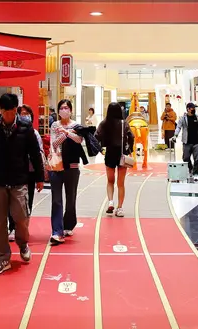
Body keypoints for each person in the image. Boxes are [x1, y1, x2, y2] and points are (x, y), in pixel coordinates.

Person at [0, 93, 44, 276]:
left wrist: (39, 177)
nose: (8, 115)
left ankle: (23, 244)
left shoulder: (25, 128)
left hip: (19, 181)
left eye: (12, 111)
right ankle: (2, 257)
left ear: (16, 110)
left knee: (21, 217)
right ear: (1, 111)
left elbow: (35, 154)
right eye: (5, 111)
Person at [48, 99, 88, 245]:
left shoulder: (76, 125)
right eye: (62, 108)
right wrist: (65, 134)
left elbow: (79, 140)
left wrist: (67, 132)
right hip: (57, 166)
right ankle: (56, 231)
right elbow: (54, 144)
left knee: (71, 198)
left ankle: (69, 224)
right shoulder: (54, 125)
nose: (64, 110)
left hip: (72, 166)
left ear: (71, 110)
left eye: (66, 108)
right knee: (56, 200)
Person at [8, 105, 45, 241]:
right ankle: (12, 227)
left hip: (30, 172)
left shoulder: (34, 133)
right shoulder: (13, 131)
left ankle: (23, 227)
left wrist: (40, 176)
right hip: (16, 172)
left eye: (27, 113)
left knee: (27, 200)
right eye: (22, 113)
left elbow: (39, 154)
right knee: (13, 201)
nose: (24, 116)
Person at [96, 102, 134, 217]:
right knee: (121, 183)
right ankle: (120, 208)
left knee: (110, 181)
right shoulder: (124, 123)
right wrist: (130, 149)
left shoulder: (104, 123)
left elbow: (96, 136)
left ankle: (110, 202)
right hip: (122, 153)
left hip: (110, 153)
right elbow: (131, 136)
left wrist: (101, 149)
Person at [175, 102, 198, 181]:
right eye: (192, 108)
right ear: (188, 109)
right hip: (187, 142)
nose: (194, 109)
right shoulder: (183, 118)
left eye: (194, 108)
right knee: (185, 158)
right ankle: (191, 168)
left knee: (197, 159)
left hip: (197, 141)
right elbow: (178, 127)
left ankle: (195, 173)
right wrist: (175, 135)